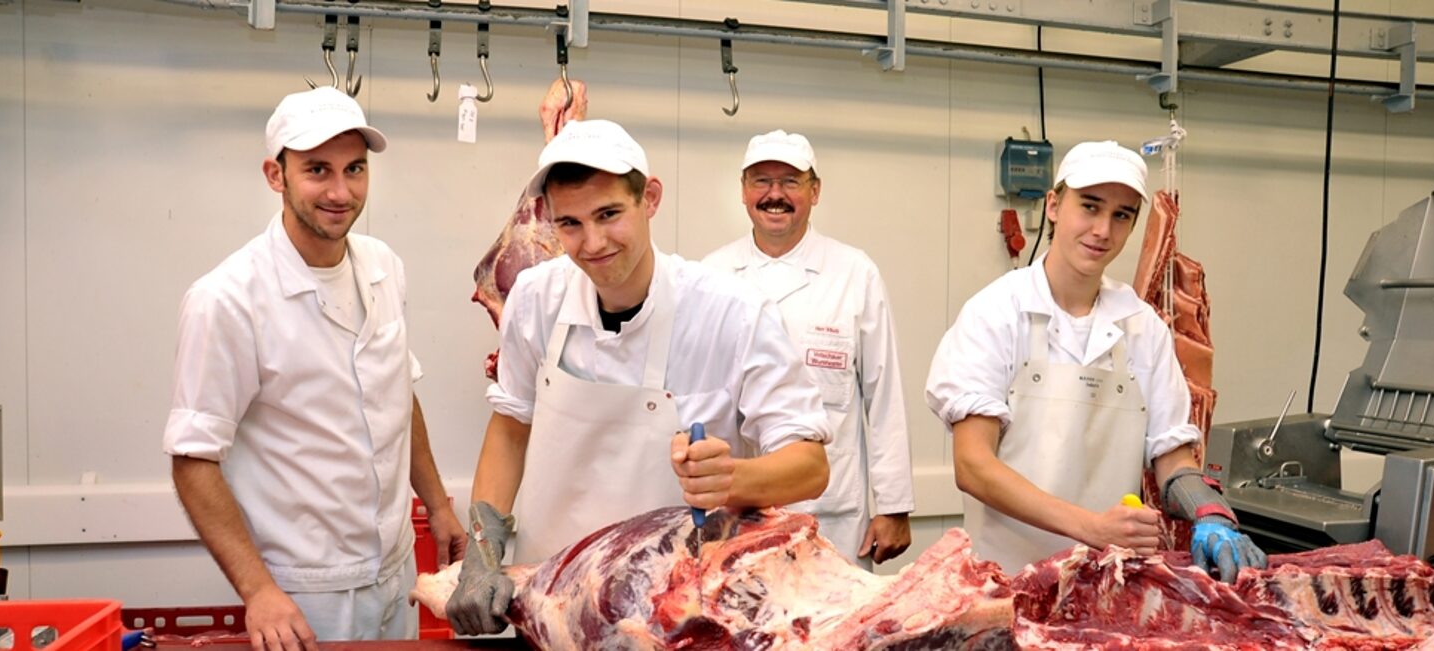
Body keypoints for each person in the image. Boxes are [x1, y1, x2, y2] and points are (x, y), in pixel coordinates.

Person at [446, 119, 832, 635]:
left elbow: (810, 465)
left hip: (677, 612)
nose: (593, 243)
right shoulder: (536, 299)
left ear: (649, 199)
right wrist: (482, 547)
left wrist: (732, 478)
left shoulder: (732, 312)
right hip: (554, 600)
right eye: (570, 224)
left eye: (609, 214)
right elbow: (511, 428)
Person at [164, 87, 467, 648]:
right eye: (316, 170)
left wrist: (439, 507)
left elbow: (398, 395)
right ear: (274, 175)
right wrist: (258, 591)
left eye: (354, 169)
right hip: (304, 594)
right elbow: (193, 461)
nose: (340, 190)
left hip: (396, 570)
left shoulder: (383, 267)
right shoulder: (228, 299)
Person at [924, 140, 1265, 581]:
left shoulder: (1142, 328)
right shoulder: (996, 313)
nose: (1103, 229)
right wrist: (1092, 528)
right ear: (1053, 205)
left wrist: (1211, 512)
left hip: (1105, 588)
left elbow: (1173, 458)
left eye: (1121, 215)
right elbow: (973, 465)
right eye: (1090, 206)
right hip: (1005, 582)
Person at [704, 130, 914, 569]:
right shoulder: (711, 276)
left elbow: (884, 395)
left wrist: (893, 506)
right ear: (743, 191)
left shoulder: (854, 272)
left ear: (814, 191)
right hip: (738, 518)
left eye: (790, 181)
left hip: (833, 516)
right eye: (761, 181)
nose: (774, 195)